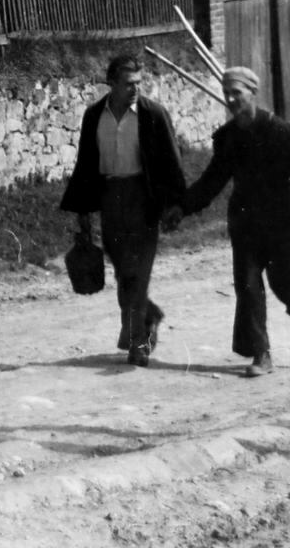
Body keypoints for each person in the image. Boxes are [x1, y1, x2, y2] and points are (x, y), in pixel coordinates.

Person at [163, 65, 290, 377]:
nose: (230, 99)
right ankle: (261, 354)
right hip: (248, 222)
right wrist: (182, 207)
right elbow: (212, 181)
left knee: (288, 286)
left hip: (284, 219)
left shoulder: (278, 129)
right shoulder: (228, 138)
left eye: (236, 93)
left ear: (253, 94)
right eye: (227, 93)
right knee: (248, 286)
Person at [60, 53, 188, 367]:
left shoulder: (153, 114)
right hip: (109, 199)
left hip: (144, 201)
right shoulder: (94, 116)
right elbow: (86, 166)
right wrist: (83, 214)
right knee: (123, 274)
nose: (135, 89)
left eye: (138, 83)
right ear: (112, 84)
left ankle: (138, 344)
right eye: (128, 84)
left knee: (137, 273)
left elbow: (172, 162)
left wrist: (177, 206)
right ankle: (148, 316)